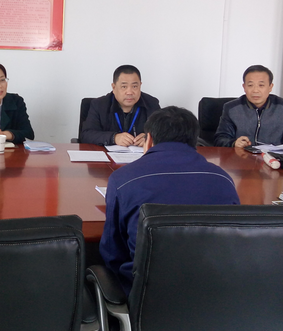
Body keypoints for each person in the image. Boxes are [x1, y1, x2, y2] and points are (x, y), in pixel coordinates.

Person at [100, 106, 240, 294]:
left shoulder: (122, 179)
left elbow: (112, 253)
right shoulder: (223, 179)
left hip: (147, 297)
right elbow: (233, 244)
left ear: (149, 140)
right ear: (195, 140)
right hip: (215, 293)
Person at [214, 64, 283, 148]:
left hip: (274, 158)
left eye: (261, 85)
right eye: (250, 85)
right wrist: (234, 143)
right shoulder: (232, 109)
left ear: (270, 87)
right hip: (242, 157)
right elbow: (220, 139)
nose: (255, 90)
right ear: (244, 87)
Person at [80, 65, 160, 146]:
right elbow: (86, 135)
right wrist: (113, 138)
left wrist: (151, 138)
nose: (129, 92)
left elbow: (163, 134)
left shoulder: (152, 104)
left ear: (140, 85)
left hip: (141, 154)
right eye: (124, 87)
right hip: (106, 153)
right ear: (114, 87)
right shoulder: (99, 105)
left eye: (134, 86)